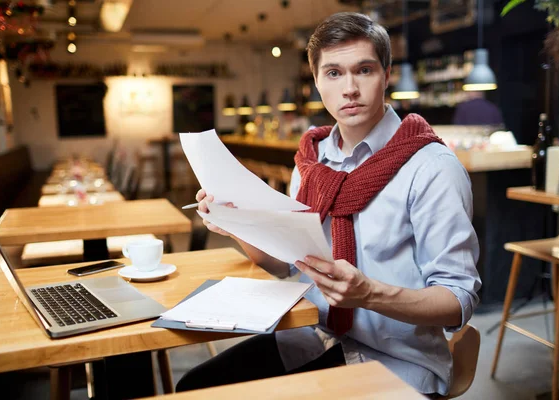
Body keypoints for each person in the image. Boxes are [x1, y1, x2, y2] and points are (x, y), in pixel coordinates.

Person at [177, 12, 481, 397]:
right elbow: (285, 263)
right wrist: (233, 222)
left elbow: (458, 301)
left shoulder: (431, 167)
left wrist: (368, 294)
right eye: (334, 73)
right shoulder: (311, 161)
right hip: (313, 338)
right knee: (194, 386)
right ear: (317, 81)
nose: (349, 88)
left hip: (398, 361)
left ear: (386, 75)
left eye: (364, 70)